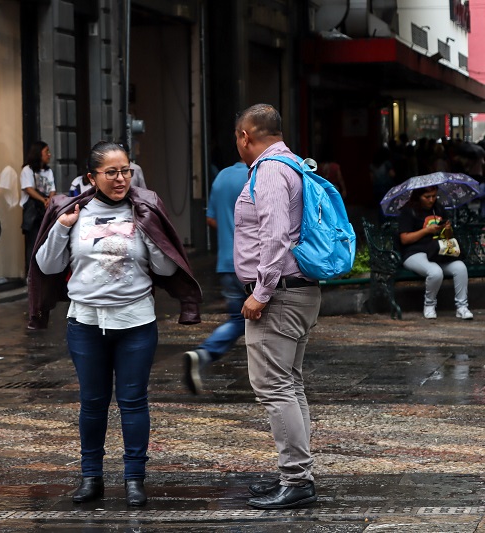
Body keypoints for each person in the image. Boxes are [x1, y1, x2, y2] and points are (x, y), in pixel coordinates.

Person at [31, 141, 201, 507]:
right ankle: (91, 477)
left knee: (133, 401)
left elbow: (167, 269)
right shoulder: (73, 212)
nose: (121, 178)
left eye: (126, 170)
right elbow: (46, 266)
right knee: (92, 403)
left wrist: (150, 231)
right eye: (111, 172)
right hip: (86, 323)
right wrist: (62, 227)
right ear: (92, 177)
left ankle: (134, 479)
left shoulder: (145, 209)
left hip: (136, 321)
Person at [233, 104, 321, 510]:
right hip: (300, 291)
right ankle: (298, 472)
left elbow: (274, 237)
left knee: (274, 387)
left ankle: (296, 479)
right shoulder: (293, 163)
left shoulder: (268, 171)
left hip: (280, 296)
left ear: (245, 136)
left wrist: (261, 292)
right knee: (291, 383)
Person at [183, 161, 248, 394]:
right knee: (265, 324)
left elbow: (210, 217)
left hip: (227, 262)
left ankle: (203, 353)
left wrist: (230, 230)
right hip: (253, 263)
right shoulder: (259, 175)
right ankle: (272, 384)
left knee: (238, 319)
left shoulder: (221, 175)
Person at [398, 186, 472, 320]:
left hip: (437, 251)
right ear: (418, 196)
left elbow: (448, 237)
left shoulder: (438, 209)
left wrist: (447, 229)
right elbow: (404, 239)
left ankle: (462, 307)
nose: (431, 200)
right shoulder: (409, 211)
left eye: (434, 196)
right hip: (414, 253)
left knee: (460, 267)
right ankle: (429, 305)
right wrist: (426, 231)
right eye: (427, 197)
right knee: (435, 272)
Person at [20, 141, 56, 274]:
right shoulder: (28, 170)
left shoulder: (48, 170)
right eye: (46, 151)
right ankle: (31, 273)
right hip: (34, 211)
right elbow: (28, 188)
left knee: (46, 241)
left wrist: (49, 200)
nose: (49, 154)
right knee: (33, 242)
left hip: (46, 210)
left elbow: (53, 188)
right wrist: (43, 199)